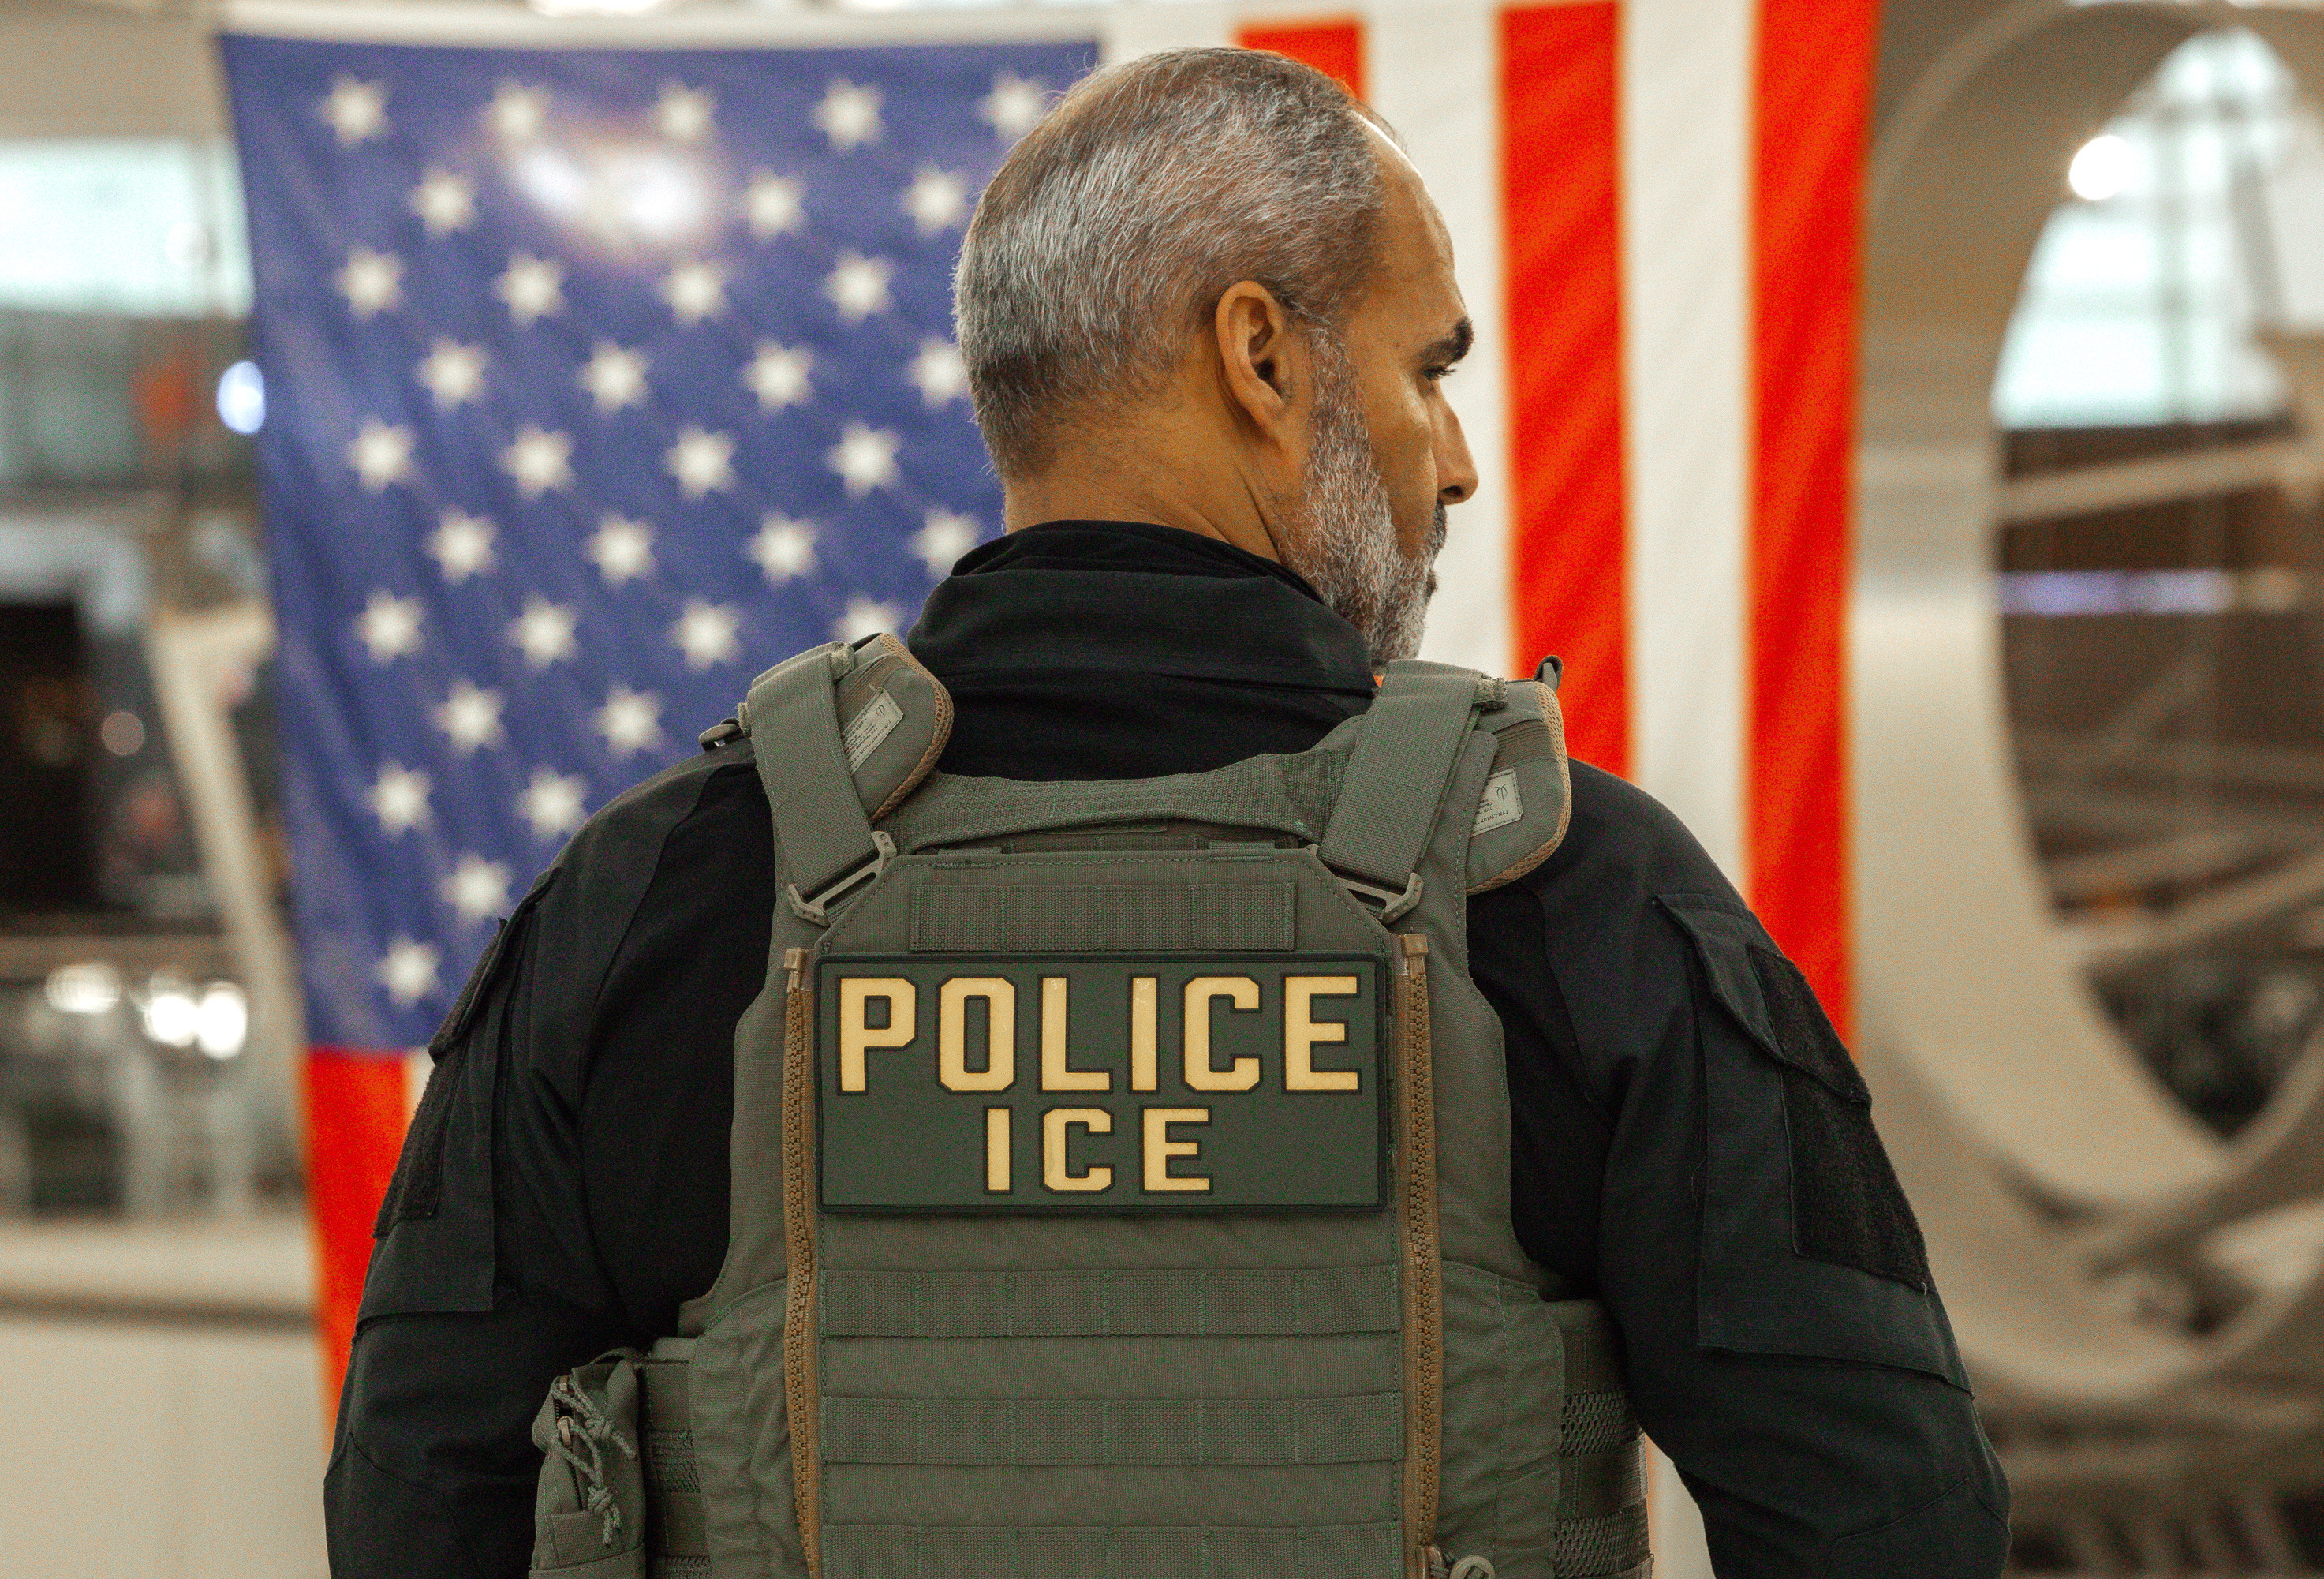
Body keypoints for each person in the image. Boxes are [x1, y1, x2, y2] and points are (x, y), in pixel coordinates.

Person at [327, 47, 2008, 1579]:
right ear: (1261, 354)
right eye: (1430, 369)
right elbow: (1886, 1516)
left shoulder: (657, 900)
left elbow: (416, 1502)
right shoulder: (1572, 892)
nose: (1461, 460)